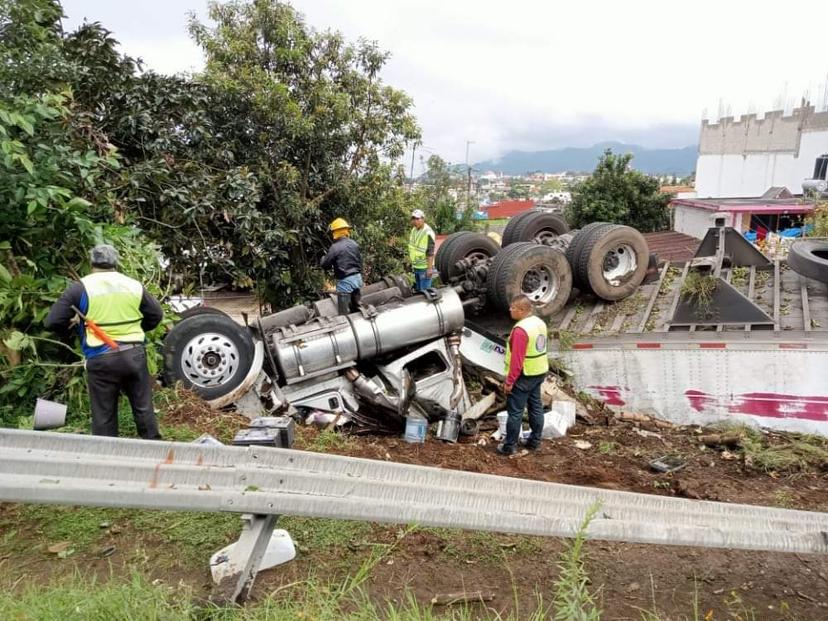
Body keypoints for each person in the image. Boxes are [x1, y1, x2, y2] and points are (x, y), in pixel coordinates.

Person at [45, 244, 164, 439]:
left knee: (104, 415)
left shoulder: (80, 288)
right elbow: (156, 315)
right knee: (143, 408)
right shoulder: (133, 285)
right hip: (133, 354)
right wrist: (135, 332)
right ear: (116, 262)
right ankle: (154, 450)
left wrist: (75, 329)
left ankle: (106, 458)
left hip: (101, 356)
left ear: (91, 262)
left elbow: (52, 321)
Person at [497, 294, 549, 456]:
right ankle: (535, 442)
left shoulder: (520, 330)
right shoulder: (539, 322)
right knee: (536, 407)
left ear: (521, 310)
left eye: (512, 307)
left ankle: (509, 446)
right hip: (539, 371)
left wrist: (510, 381)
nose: (509, 310)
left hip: (524, 375)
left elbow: (517, 360)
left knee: (515, 412)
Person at [320, 217, 364, 314]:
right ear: (346, 230)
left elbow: (325, 265)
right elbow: (360, 261)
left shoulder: (335, 248)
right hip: (357, 278)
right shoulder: (354, 244)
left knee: (344, 313)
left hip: (346, 281)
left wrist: (322, 259)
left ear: (335, 232)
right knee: (357, 308)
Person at [408, 208, 436, 291]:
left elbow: (430, 252)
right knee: (419, 292)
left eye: (417, 219)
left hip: (424, 268)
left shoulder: (428, 232)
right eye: (413, 219)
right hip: (416, 266)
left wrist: (430, 269)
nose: (415, 221)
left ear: (423, 219)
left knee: (425, 293)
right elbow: (412, 248)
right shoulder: (414, 230)